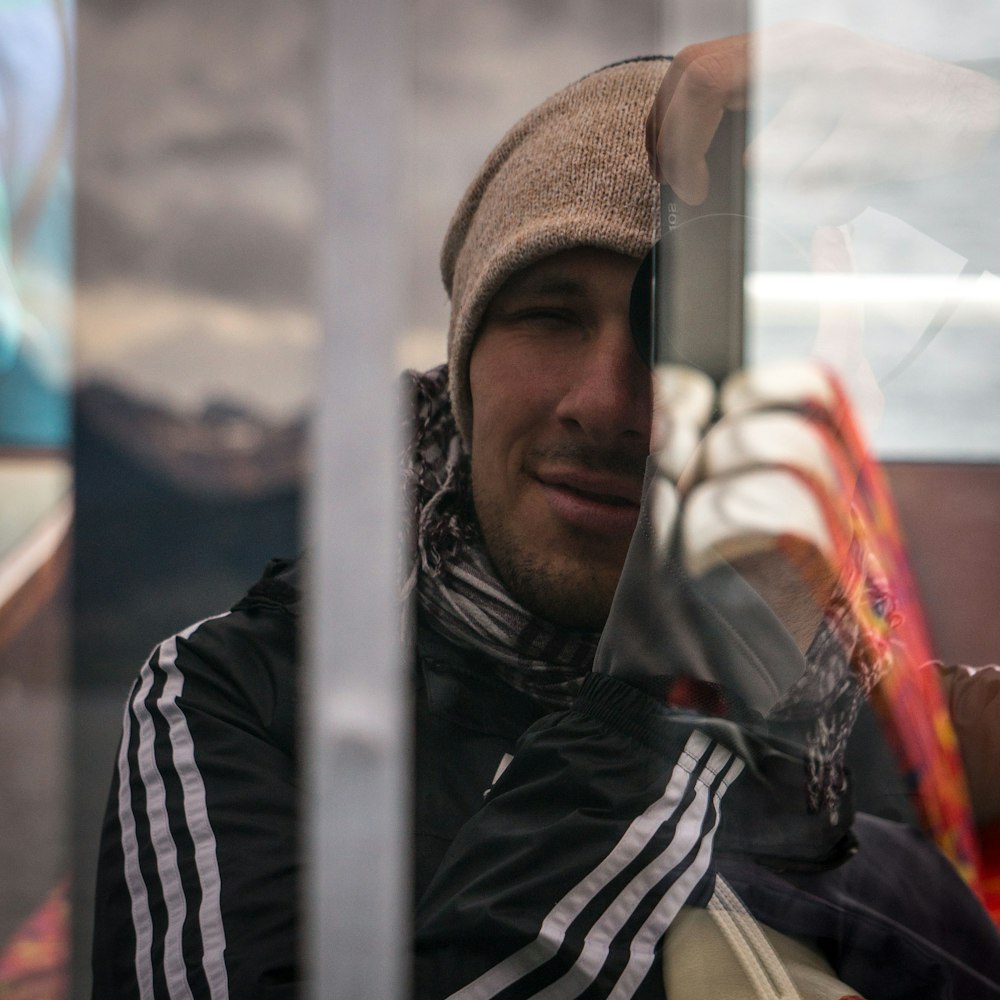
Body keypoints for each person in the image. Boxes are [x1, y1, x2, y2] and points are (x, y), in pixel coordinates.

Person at [92, 31, 1000, 1000]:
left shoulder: (894, 742)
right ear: (465, 366)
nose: (604, 402)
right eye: (550, 314)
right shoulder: (243, 699)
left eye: (672, 331)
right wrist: (683, 669)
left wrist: (941, 126)